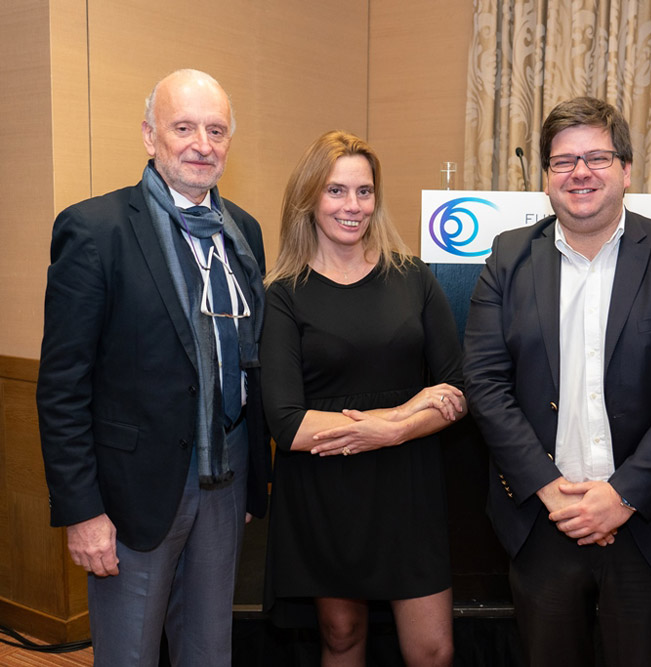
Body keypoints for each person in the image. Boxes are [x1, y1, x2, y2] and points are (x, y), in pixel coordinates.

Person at [462, 96, 651, 666]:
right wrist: (549, 489)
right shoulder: (508, 258)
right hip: (543, 522)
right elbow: (485, 384)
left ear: (626, 170)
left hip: (647, 525)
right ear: (546, 177)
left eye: (597, 158)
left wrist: (622, 495)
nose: (579, 172)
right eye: (563, 161)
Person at [36, 69, 268, 666]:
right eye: (183, 128)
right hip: (132, 491)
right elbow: (62, 387)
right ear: (149, 135)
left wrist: (252, 478)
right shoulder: (95, 230)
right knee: (130, 654)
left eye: (216, 130)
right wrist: (83, 512)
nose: (202, 145)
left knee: (209, 650)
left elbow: (248, 360)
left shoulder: (243, 232)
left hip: (226, 472)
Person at [260, 130, 466, 666]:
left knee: (433, 650)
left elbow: (457, 390)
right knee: (342, 636)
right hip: (327, 489)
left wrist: (396, 432)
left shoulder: (413, 277)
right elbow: (288, 424)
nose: (352, 206)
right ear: (309, 197)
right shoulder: (283, 293)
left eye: (364, 191)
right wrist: (401, 413)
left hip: (408, 486)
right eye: (336, 191)